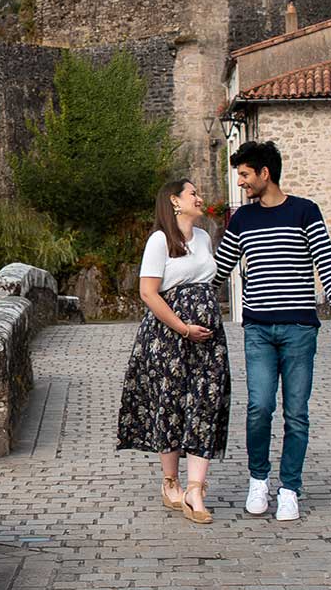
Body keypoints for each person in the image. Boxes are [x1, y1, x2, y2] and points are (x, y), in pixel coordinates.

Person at [219, 140, 331, 521]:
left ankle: (290, 488)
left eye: (244, 174)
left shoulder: (305, 212)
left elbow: (327, 263)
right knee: (260, 406)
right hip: (258, 329)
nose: (240, 182)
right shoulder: (241, 219)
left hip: (298, 329)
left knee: (296, 413)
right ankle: (258, 479)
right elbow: (219, 269)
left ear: (265, 173)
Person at [115, 179, 232, 524]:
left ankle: (196, 489)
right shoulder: (160, 241)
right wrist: (182, 327)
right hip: (168, 336)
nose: (200, 198)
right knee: (171, 402)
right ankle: (171, 482)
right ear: (174, 201)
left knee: (205, 403)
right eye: (193, 193)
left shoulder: (205, 238)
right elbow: (149, 293)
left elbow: (208, 282)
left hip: (209, 339)